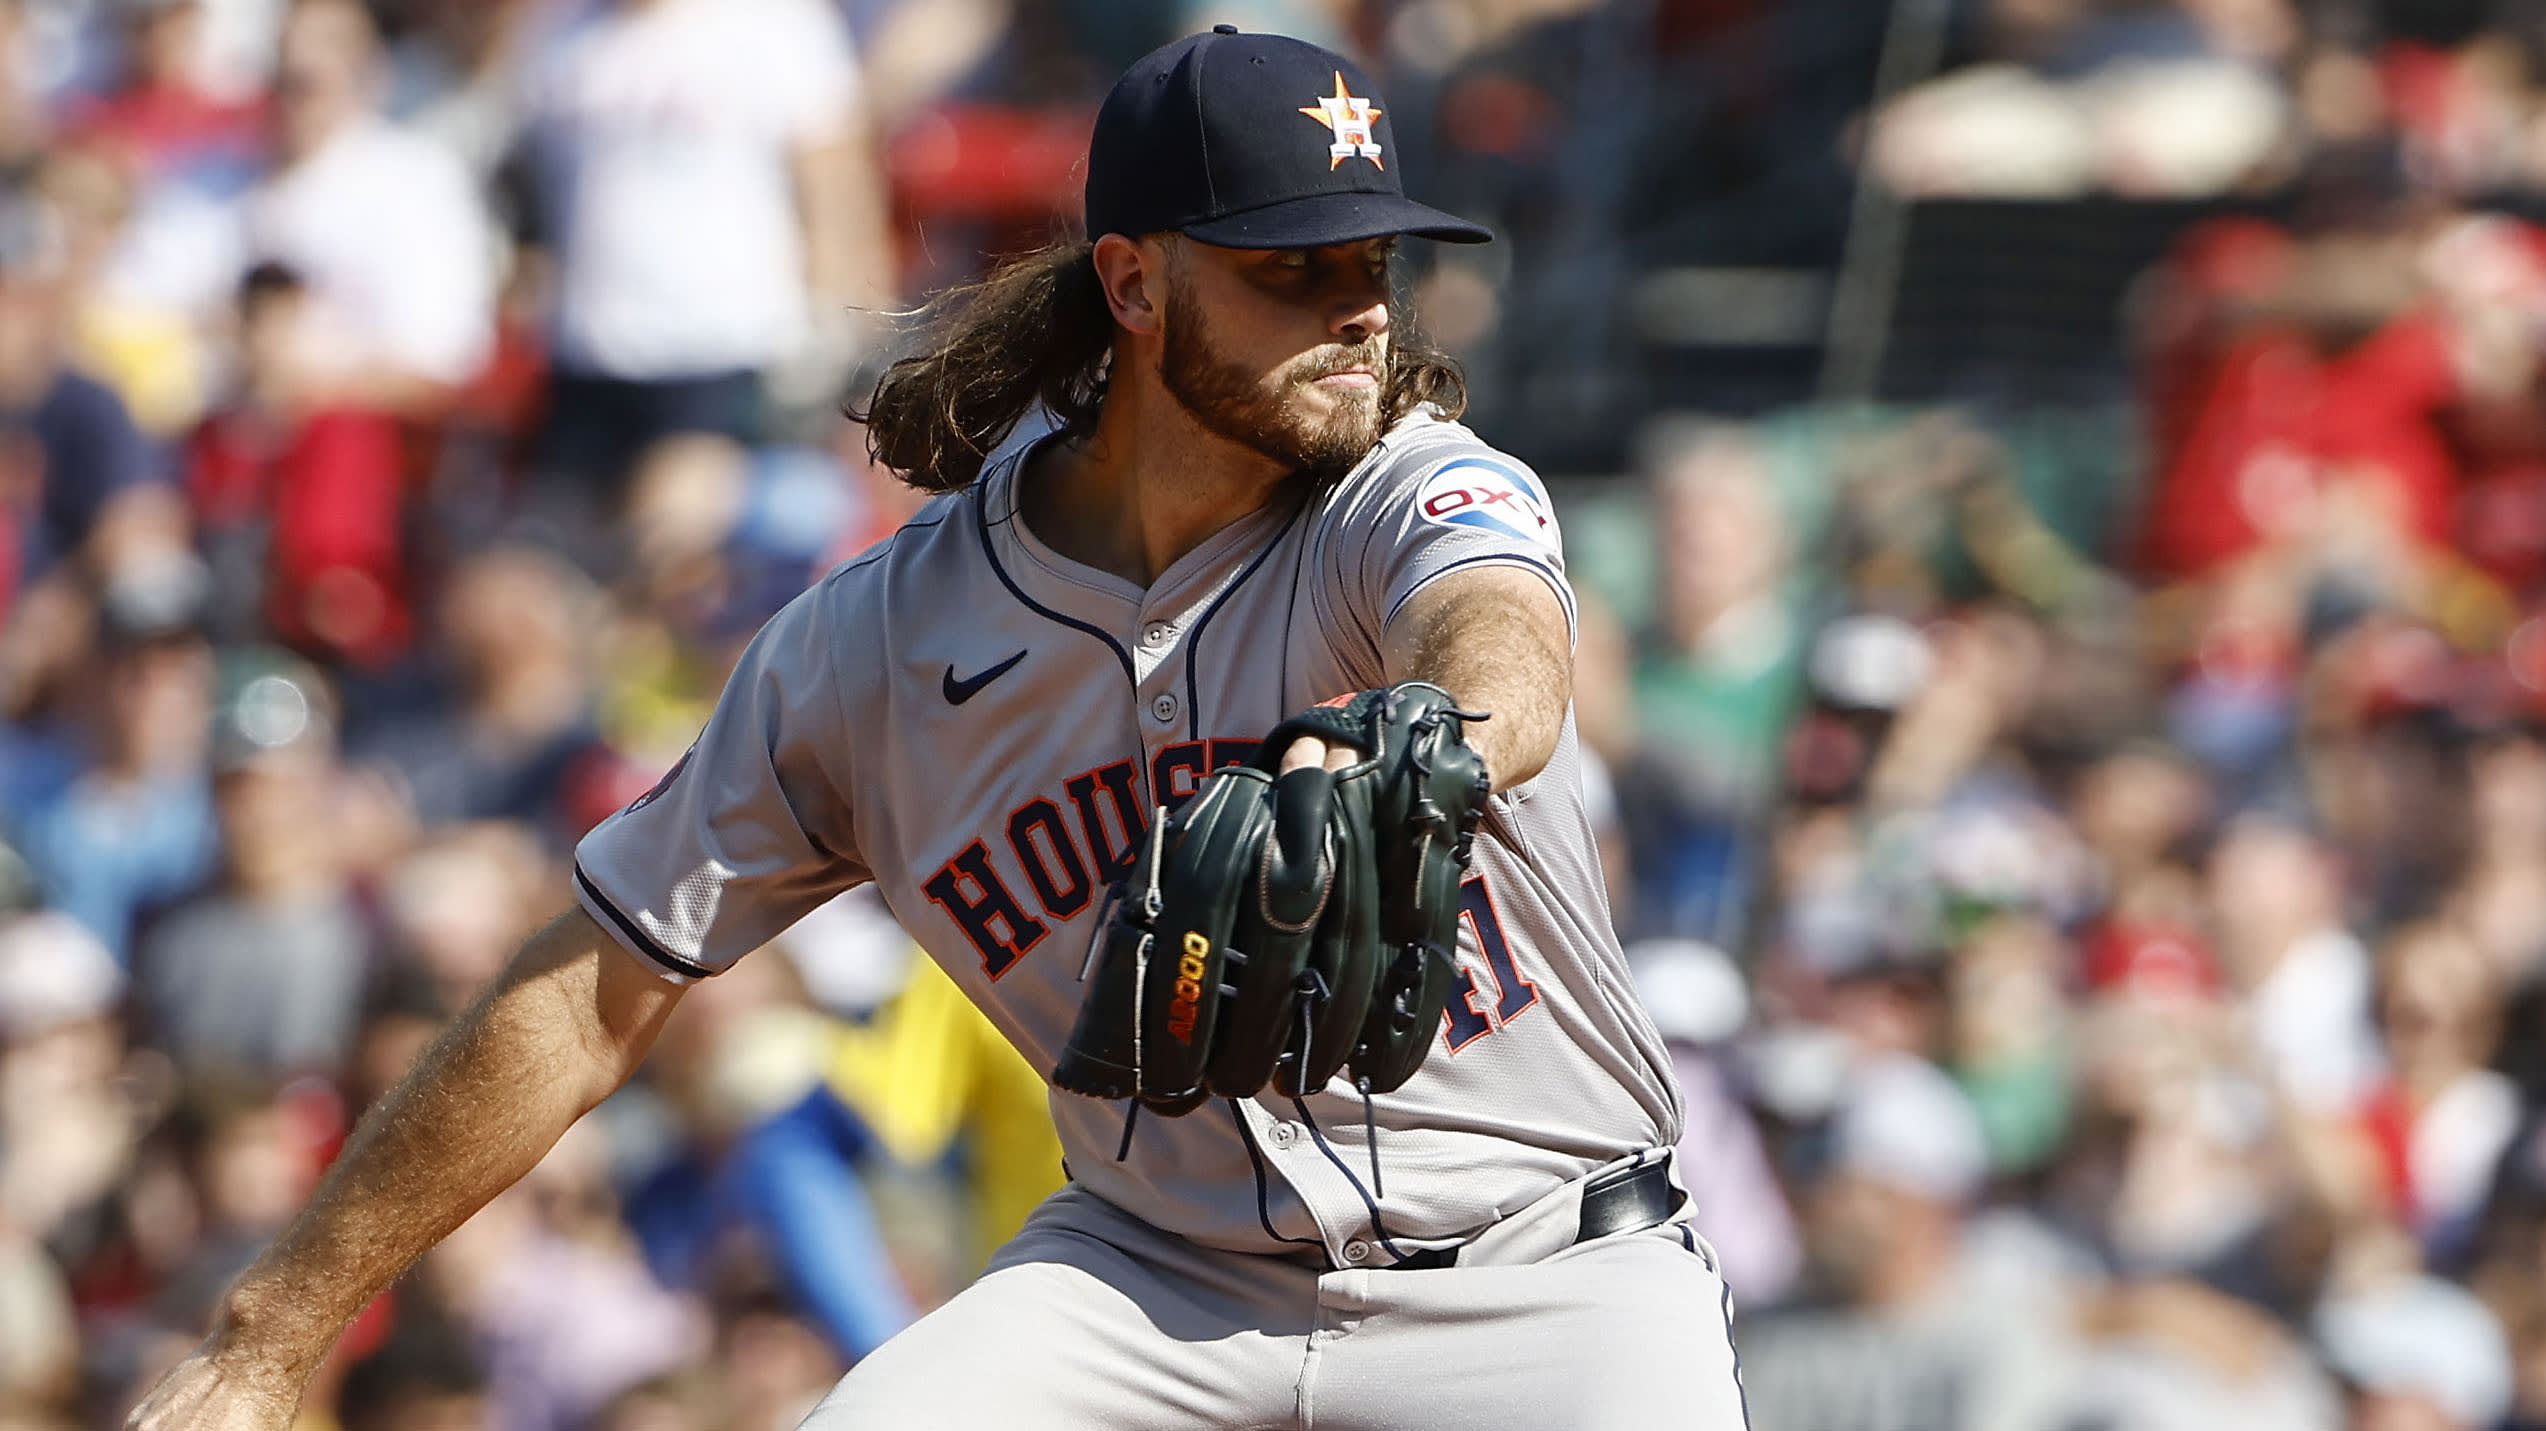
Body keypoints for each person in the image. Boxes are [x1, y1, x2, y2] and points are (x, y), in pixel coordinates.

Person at [126, 27, 1748, 1429]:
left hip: (1551, 1271)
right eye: (1290, 269)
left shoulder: (1404, 489)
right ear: (1131, 282)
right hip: (1155, 1284)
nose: (1359, 316)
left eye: (1372, 264)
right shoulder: (881, 650)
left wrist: (1425, 726)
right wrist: (268, 1341)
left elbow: (1501, 640)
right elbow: (588, 992)